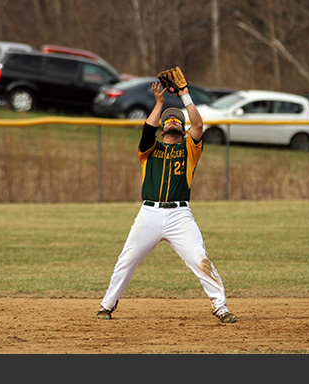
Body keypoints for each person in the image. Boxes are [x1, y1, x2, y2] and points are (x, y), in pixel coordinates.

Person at [96, 78, 237, 324]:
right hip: (149, 214)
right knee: (127, 258)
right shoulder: (149, 151)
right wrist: (160, 103)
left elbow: (199, 123)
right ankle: (107, 305)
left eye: (177, 120)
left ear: (182, 130)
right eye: (168, 119)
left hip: (179, 216)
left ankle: (220, 307)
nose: (172, 121)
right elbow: (147, 129)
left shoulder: (189, 151)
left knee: (199, 258)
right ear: (163, 129)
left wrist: (185, 96)